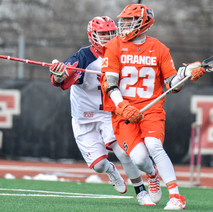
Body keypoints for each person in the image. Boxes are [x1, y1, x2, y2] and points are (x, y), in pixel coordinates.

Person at [100, 4, 206, 210]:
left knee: (154, 145)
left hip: (152, 108)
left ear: (144, 23)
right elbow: (109, 83)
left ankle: (176, 196)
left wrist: (185, 76)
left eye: (130, 21)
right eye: (124, 21)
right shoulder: (114, 46)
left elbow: (171, 85)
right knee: (139, 159)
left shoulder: (159, 48)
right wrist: (122, 105)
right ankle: (152, 173)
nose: (125, 26)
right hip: (124, 111)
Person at [49, 16, 158, 206]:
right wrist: (58, 75)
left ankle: (140, 190)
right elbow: (61, 81)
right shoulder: (83, 57)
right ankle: (110, 171)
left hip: (110, 114)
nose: (107, 37)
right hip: (84, 118)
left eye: (110, 33)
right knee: (99, 166)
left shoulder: (121, 52)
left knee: (125, 153)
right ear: (92, 35)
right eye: (102, 33)